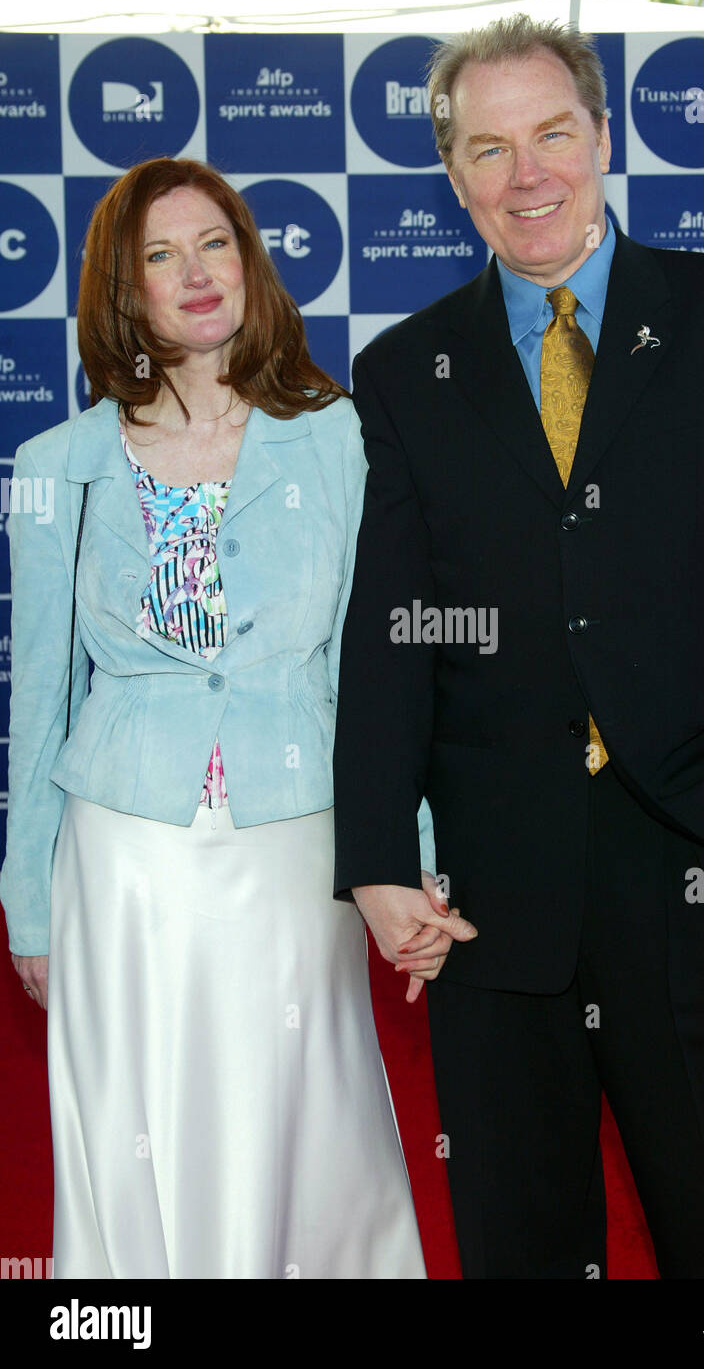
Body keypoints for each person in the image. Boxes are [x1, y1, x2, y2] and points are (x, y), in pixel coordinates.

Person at [332, 16, 704, 1279]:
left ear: (604, 139)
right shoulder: (404, 371)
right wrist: (379, 857)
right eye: (492, 149)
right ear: (453, 179)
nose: (530, 176)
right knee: (524, 1240)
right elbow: (390, 631)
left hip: (697, 848)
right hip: (491, 889)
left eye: (554, 133)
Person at [0, 156, 452, 1279]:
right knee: (136, 1111)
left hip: (294, 836)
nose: (195, 272)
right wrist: (27, 903)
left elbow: (381, 669)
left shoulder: (342, 442)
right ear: (123, 288)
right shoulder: (58, 465)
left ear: (251, 264)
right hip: (122, 855)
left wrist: (416, 854)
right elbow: (38, 697)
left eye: (216, 243)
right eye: (161, 253)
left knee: (297, 1103)